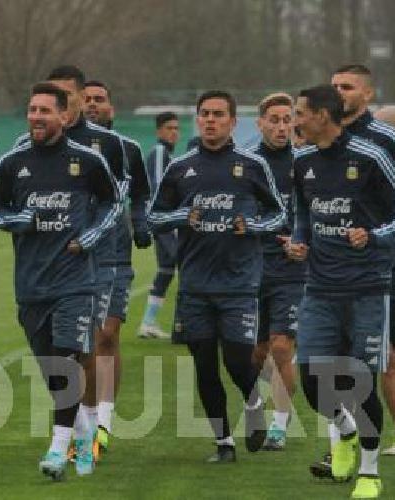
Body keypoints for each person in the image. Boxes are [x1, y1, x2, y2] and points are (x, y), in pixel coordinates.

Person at [0, 82, 122, 480]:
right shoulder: (13, 163)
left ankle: (56, 450)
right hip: (30, 284)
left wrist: (91, 237)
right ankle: (83, 434)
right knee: (51, 370)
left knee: (66, 361)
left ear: (65, 116)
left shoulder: (87, 162)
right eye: (32, 110)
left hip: (76, 282)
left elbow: (114, 204)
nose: (37, 117)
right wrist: (17, 221)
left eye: (45, 111)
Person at [286, 84, 395, 498]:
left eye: (300, 114)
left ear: (323, 116)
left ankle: (370, 471)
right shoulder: (303, 160)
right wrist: (300, 239)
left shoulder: (372, 156)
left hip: (368, 287)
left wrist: (374, 235)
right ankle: (344, 433)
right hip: (320, 287)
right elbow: (303, 212)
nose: (295, 122)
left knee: (360, 380)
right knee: (312, 379)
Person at [148, 90, 286, 464]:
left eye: (218, 114)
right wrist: (180, 217)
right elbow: (153, 216)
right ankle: (223, 442)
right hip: (194, 284)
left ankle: (254, 400)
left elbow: (280, 216)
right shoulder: (181, 168)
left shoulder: (252, 165)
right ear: (198, 119)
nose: (210, 120)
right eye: (205, 114)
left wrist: (253, 225)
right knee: (205, 365)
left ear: (232, 122)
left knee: (239, 359)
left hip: (239, 283)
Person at [333, 64, 395, 460]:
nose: (338, 92)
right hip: (338, 273)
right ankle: (347, 444)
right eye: (333, 86)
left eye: (346, 86)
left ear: (367, 94)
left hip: (391, 266)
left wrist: (379, 234)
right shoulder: (325, 140)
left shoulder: (388, 140)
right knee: (348, 360)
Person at [82, 79, 153, 454]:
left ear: (112, 108)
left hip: (113, 255)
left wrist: (140, 225)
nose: (93, 105)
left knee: (106, 335)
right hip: (73, 257)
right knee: (79, 343)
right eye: (87, 99)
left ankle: (104, 422)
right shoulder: (66, 148)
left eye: (100, 100)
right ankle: (84, 417)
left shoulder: (128, 149)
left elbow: (140, 194)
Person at [248, 93, 305, 451]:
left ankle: (280, 426)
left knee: (282, 347)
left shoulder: (306, 163)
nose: (282, 127)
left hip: (292, 269)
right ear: (260, 123)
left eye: (288, 120)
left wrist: (302, 240)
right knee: (254, 353)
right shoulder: (247, 164)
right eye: (275, 120)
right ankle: (254, 407)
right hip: (251, 269)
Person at [138, 112, 181, 340]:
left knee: (166, 270)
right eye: (169, 128)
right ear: (159, 132)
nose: (173, 132)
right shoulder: (160, 153)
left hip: (165, 221)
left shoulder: (169, 155)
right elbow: (156, 187)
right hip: (165, 222)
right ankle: (182, 326)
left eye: (176, 128)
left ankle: (147, 323)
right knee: (188, 266)